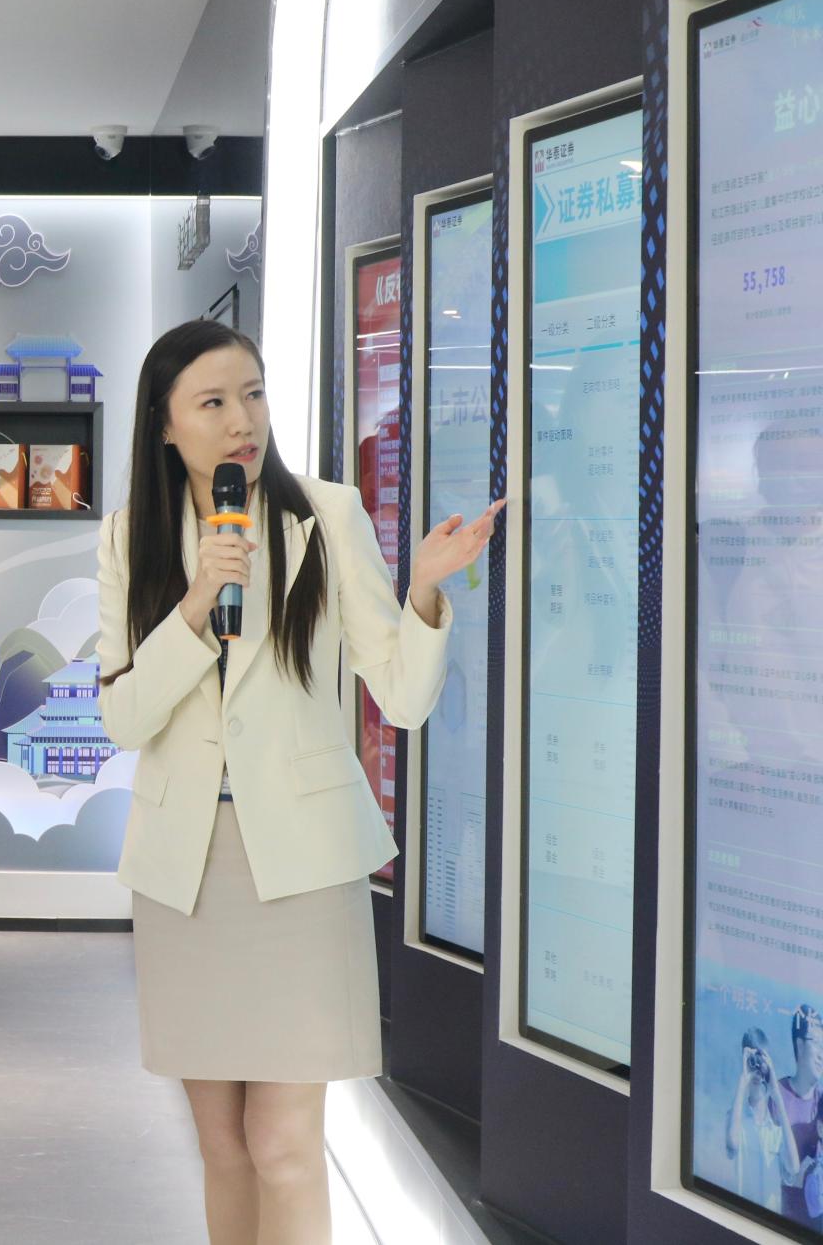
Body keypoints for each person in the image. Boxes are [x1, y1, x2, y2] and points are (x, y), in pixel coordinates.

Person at [97, 320, 499, 1245]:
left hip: (304, 869)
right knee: (223, 1146)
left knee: (282, 1145)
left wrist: (425, 590)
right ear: (164, 424)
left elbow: (401, 697)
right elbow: (124, 718)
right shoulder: (130, 540)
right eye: (212, 402)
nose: (242, 421)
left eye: (254, 393)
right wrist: (197, 602)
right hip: (185, 872)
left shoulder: (326, 513)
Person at [727, 1026, 804, 1213]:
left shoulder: (776, 1130)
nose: (757, 1069)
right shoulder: (735, 1118)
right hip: (738, 1215)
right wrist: (743, 1078)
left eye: (761, 1062)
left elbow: (794, 1167)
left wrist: (776, 1092)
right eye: (752, 1061)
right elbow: (733, 1143)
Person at [775, 1004, 823, 1228]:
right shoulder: (775, 1095)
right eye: (818, 1043)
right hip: (781, 1219)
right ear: (800, 1045)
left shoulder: (822, 1100)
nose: (822, 1054)